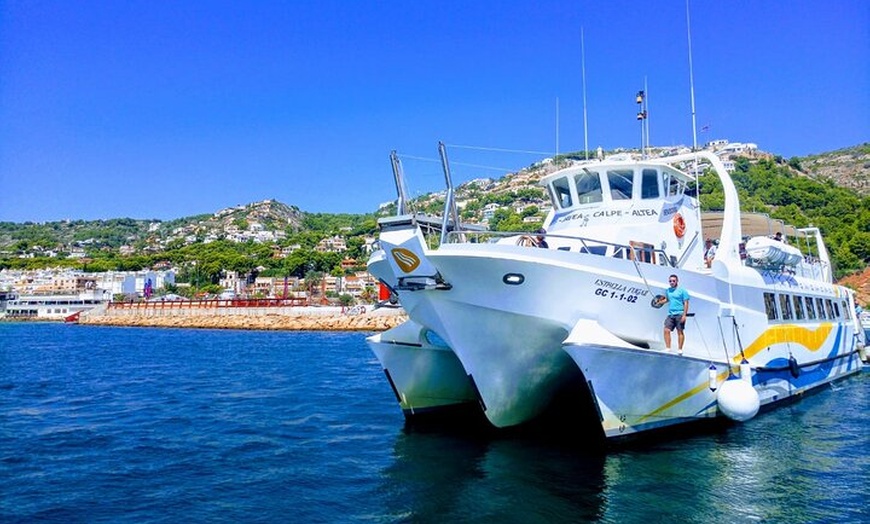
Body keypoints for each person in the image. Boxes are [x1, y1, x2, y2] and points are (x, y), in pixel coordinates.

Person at [662, 274, 690, 353]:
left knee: (680, 331)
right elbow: (667, 300)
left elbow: (686, 303)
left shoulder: (682, 291)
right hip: (671, 314)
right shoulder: (668, 290)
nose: (672, 282)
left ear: (677, 281)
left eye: (673, 281)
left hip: (680, 313)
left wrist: (684, 315)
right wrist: (660, 302)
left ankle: (680, 349)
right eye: (670, 281)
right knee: (666, 330)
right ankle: (668, 347)